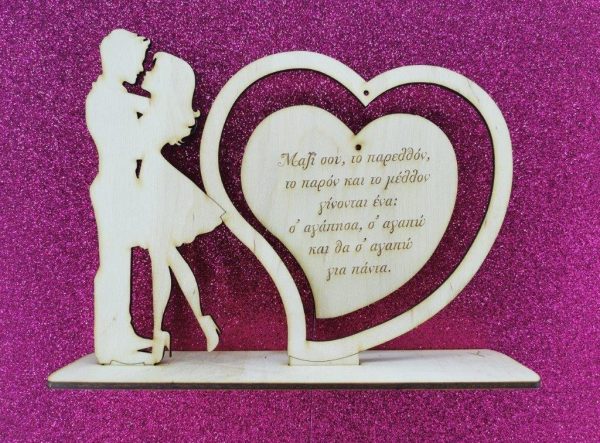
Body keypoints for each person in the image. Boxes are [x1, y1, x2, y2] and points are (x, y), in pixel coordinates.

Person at [138, 52, 223, 363]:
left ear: (166, 82)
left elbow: (135, 144)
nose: (146, 72)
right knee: (168, 257)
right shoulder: (149, 107)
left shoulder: (154, 111)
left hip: (155, 182)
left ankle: (159, 333)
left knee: (161, 258)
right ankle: (202, 322)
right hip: (151, 180)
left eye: (154, 69)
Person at [86, 29, 154, 364]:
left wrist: (154, 108)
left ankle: (122, 332)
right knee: (112, 265)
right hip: (115, 186)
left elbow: (141, 105)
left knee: (121, 262)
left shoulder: (114, 95)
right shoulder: (105, 99)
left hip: (122, 184)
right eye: (137, 62)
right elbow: (134, 146)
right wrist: (157, 126)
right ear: (118, 59)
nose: (141, 69)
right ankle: (110, 345)